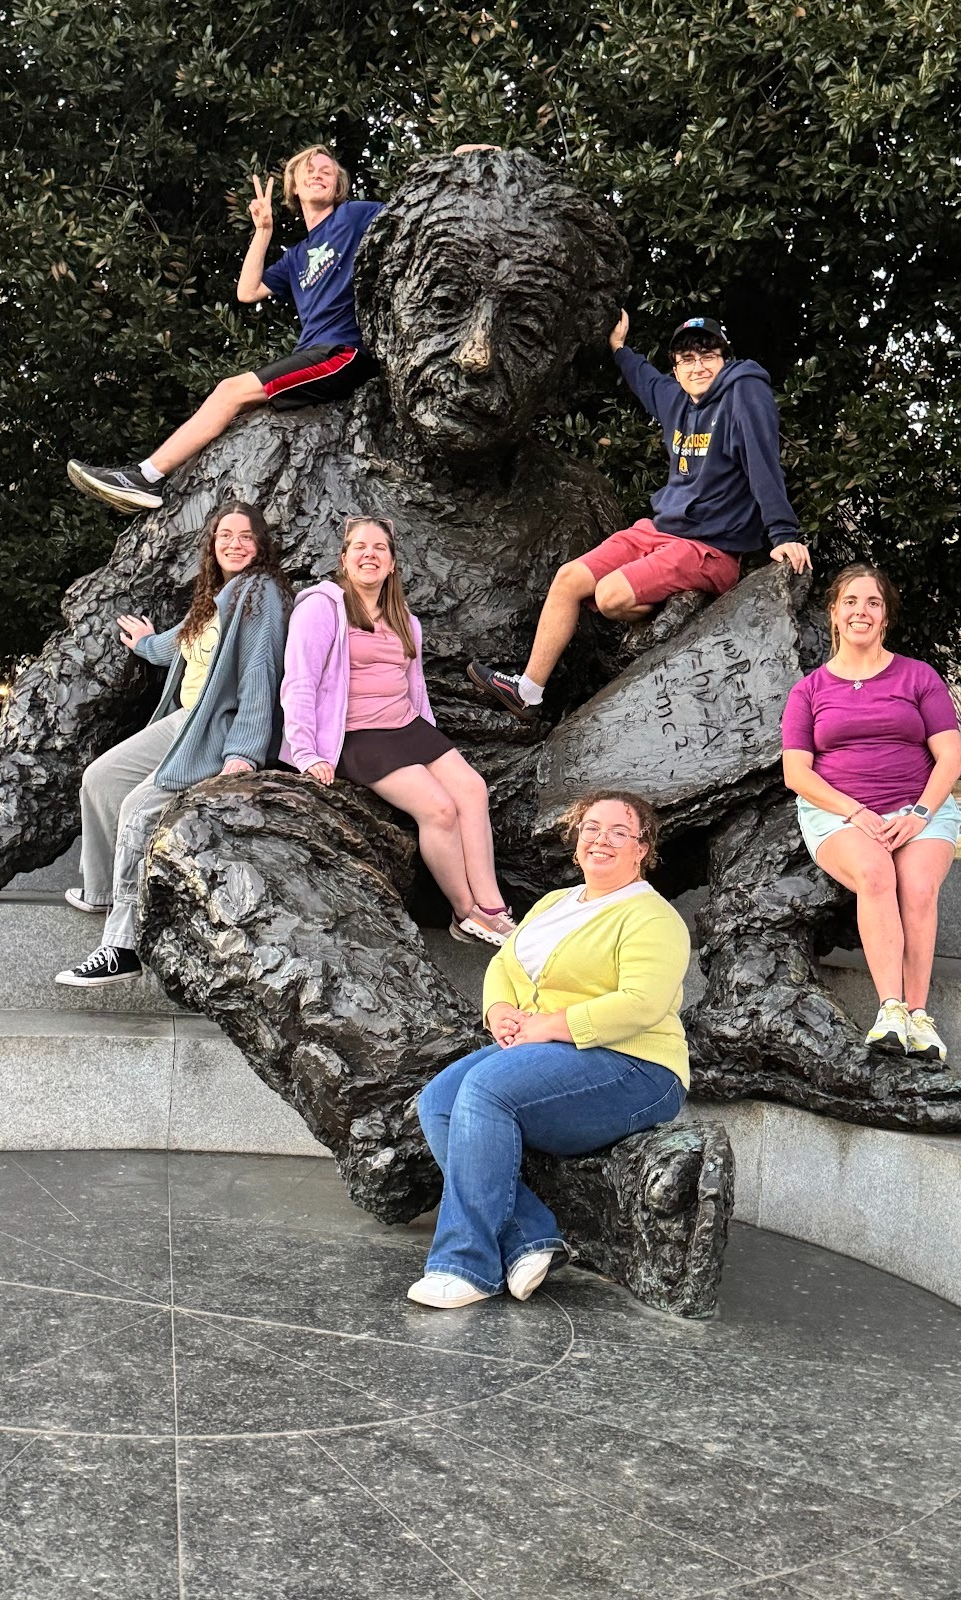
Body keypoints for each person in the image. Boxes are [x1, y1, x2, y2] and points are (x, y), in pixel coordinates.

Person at [407, 791, 691, 1309]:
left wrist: (548, 1026)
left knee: (487, 1089)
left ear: (642, 848)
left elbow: (641, 1004)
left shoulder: (653, 917)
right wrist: (499, 1012)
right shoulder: (554, 903)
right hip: (546, 1050)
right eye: (591, 828)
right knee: (439, 1100)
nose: (601, 839)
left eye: (618, 831)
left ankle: (465, 1265)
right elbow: (505, 965)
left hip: (635, 1067)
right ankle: (529, 1237)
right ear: (576, 841)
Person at [467, 311, 811, 721]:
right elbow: (645, 379)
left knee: (609, 597)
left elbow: (762, 462)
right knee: (569, 579)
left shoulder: (744, 394)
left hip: (710, 549)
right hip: (659, 530)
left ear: (726, 360)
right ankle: (528, 691)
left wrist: (783, 534)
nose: (698, 366)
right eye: (686, 359)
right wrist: (618, 348)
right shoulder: (677, 401)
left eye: (708, 356)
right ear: (677, 369)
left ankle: (677, 608)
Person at [68, 146, 383, 515]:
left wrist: (458, 159)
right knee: (232, 408)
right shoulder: (298, 255)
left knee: (229, 390)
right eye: (308, 170)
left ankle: (146, 476)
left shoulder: (353, 215)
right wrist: (263, 231)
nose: (318, 175)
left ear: (339, 185)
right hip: (310, 354)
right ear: (294, 188)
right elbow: (247, 291)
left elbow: (414, 208)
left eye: (327, 171)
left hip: (341, 354)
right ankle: (158, 479)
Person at [56, 502, 292, 986]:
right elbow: (181, 645)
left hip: (217, 728)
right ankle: (102, 888)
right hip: (185, 719)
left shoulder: (260, 593)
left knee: (141, 808)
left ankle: (121, 945)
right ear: (212, 543)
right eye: (225, 534)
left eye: (246, 536)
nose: (234, 543)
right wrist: (145, 644)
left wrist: (243, 752)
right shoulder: (216, 596)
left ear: (261, 545)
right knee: (100, 779)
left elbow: (260, 674)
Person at [280, 516, 516, 946]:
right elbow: (299, 680)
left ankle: (493, 907)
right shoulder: (320, 607)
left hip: (408, 725)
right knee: (439, 810)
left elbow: (415, 687)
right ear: (345, 559)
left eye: (380, 549)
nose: (369, 554)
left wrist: (431, 738)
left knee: (473, 789)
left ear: (392, 565)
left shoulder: (405, 618)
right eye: (360, 547)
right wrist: (306, 753)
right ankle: (466, 914)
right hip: (358, 735)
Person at [781, 563, 961, 1063]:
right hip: (839, 813)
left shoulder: (917, 675)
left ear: (884, 618)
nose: (862, 611)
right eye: (851, 602)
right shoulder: (809, 690)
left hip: (919, 809)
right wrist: (856, 811)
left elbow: (951, 756)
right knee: (877, 873)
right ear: (834, 615)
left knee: (920, 886)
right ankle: (890, 1009)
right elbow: (797, 773)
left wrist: (921, 813)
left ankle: (919, 1016)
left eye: (873, 603)